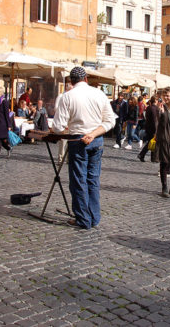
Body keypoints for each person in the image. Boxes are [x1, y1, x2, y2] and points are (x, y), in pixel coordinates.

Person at [51, 66, 114, 229]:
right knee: (93, 179)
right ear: (86, 79)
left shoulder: (67, 96)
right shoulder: (99, 94)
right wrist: (93, 134)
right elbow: (110, 121)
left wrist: (65, 128)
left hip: (78, 140)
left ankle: (84, 219)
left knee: (79, 181)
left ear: (71, 81)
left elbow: (58, 127)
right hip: (97, 140)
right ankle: (94, 217)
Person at [138, 96, 159, 162]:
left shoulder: (149, 107)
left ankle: (151, 157)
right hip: (153, 128)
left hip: (148, 127)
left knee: (151, 142)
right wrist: (156, 130)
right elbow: (155, 120)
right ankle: (143, 155)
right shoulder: (154, 108)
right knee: (152, 142)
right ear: (155, 101)